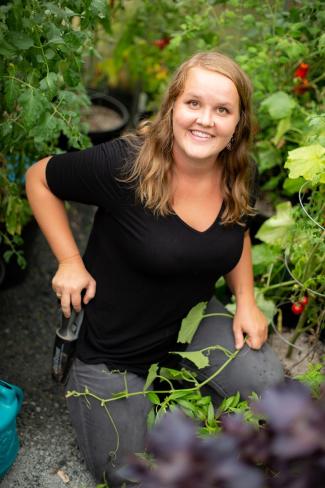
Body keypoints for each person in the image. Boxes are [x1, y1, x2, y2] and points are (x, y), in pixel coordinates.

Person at [26, 51, 284, 487]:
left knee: (273, 393)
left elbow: (236, 227)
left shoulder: (239, 172)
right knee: (137, 476)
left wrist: (244, 300)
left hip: (189, 324)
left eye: (223, 110)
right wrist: (70, 261)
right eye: (194, 103)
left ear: (238, 124)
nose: (206, 120)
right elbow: (39, 177)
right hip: (112, 351)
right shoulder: (125, 164)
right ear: (172, 108)